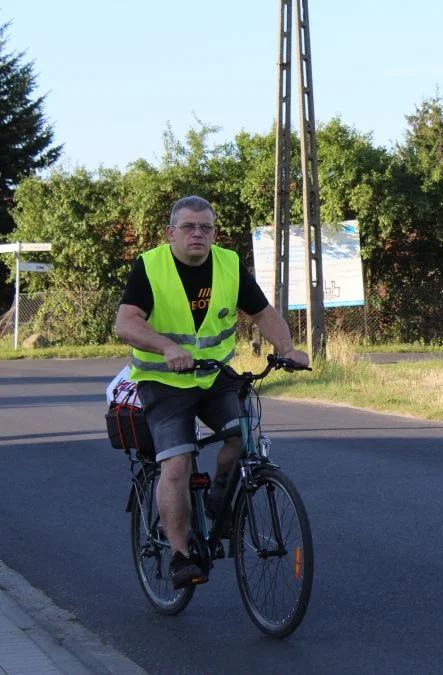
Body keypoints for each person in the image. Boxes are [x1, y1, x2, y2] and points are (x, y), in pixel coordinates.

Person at [115, 195, 310, 589]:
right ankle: (181, 555)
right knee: (176, 463)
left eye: (206, 227)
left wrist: (287, 349)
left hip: (214, 376)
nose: (198, 234)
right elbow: (126, 323)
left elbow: (262, 312)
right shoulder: (150, 267)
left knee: (245, 436)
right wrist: (167, 347)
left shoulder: (229, 264)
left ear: (214, 233)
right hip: (165, 382)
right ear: (171, 233)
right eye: (189, 227)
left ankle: (218, 501)